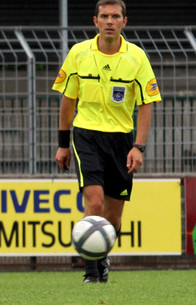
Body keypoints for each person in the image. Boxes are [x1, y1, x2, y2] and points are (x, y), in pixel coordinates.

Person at [53, 0, 161, 283]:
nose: (109, 21)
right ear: (95, 21)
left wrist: (138, 147)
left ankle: (102, 258)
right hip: (86, 135)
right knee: (94, 200)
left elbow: (147, 103)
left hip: (122, 140)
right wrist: (63, 143)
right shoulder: (78, 53)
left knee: (112, 220)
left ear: (125, 22)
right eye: (104, 16)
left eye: (115, 16)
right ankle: (90, 273)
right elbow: (68, 100)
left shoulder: (136, 57)